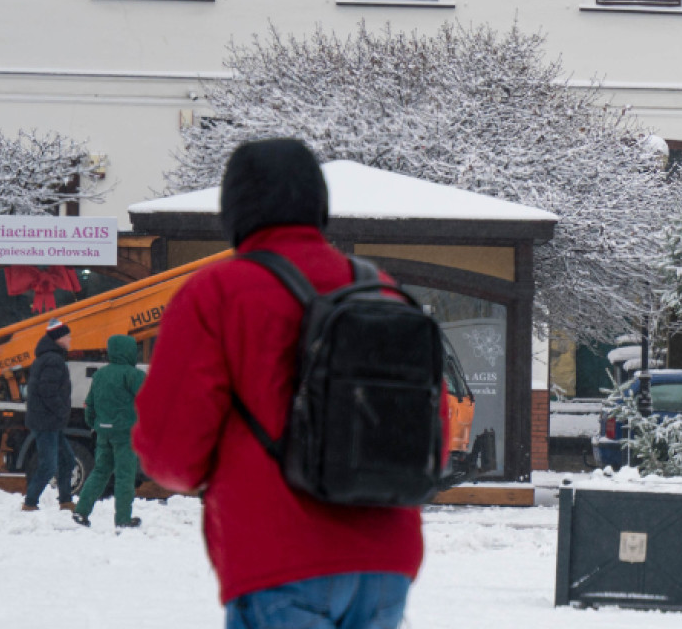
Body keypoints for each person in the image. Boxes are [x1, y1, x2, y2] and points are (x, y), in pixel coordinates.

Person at [136, 138, 424, 629]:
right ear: (319, 205)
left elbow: (171, 455)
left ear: (234, 210)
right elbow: (424, 439)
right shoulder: (381, 290)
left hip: (278, 557)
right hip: (385, 561)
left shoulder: (216, 292)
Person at [73, 334, 145, 529]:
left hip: (103, 433)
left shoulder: (100, 375)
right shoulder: (134, 375)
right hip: (125, 434)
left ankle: (81, 512)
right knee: (124, 476)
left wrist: (95, 424)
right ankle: (122, 519)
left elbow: (90, 405)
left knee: (99, 472)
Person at [22, 319, 76, 512]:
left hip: (49, 421)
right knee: (49, 464)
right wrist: (62, 410)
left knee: (67, 460)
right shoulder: (53, 360)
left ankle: (65, 500)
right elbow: (48, 392)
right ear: (59, 338)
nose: (70, 339)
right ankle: (30, 502)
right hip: (46, 421)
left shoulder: (48, 357)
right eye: (67, 336)